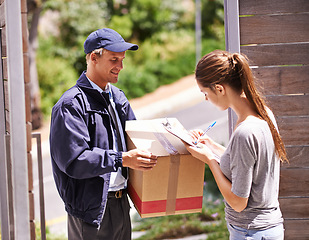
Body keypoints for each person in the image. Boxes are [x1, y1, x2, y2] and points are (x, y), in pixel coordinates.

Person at [49, 28, 157, 240]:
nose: (121, 66)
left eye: (122, 60)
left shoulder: (117, 97)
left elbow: (136, 139)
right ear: (93, 58)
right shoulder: (70, 105)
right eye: (114, 59)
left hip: (120, 203)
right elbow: (75, 161)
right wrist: (122, 159)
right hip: (90, 213)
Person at [184, 50, 288, 240]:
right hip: (265, 229)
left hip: (251, 232)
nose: (206, 99)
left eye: (205, 93)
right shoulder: (264, 113)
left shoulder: (244, 132)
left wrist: (209, 161)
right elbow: (247, 163)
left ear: (219, 88)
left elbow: (238, 203)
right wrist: (212, 146)